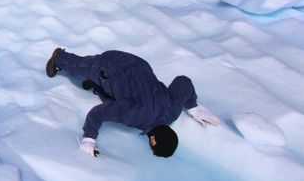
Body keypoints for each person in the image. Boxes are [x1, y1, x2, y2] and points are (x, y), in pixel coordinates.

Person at [45, 48, 220, 158]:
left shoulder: (173, 109)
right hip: (113, 65)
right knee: (81, 68)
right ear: (152, 140)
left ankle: (95, 86)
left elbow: (183, 82)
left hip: (139, 65)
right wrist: (89, 138)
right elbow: (97, 113)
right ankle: (59, 57)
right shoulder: (136, 115)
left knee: (116, 95)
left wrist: (193, 106)